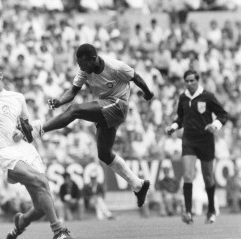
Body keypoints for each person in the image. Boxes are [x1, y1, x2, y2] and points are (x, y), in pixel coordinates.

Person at [0, 63, 74, 239]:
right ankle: (58, 231)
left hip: (26, 150)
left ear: (0, 75)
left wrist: (22, 132)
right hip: (6, 152)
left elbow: (27, 129)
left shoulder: (18, 97)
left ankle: (21, 222)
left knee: (42, 205)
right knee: (40, 180)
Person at [31, 43, 153, 208]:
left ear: (94, 59)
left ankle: (39, 129)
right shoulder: (84, 70)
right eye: (79, 65)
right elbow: (73, 92)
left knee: (75, 111)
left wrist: (147, 92)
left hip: (118, 105)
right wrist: (60, 101)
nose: (82, 68)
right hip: (104, 108)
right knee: (104, 154)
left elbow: (136, 77)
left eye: (84, 64)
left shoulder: (116, 67)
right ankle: (137, 184)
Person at [166, 70, 228, 224]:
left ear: (197, 80)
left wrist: (215, 125)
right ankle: (188, 213)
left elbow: (223, 114)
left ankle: (211, 210)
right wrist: (174, 126)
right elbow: (180, 117)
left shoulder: (207, 96)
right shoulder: (183, 97)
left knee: (208, 177)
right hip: (189, 140)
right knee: (187, 175)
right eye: (186, 81)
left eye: (192, 80)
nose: (189, 83)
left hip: (206, 140)